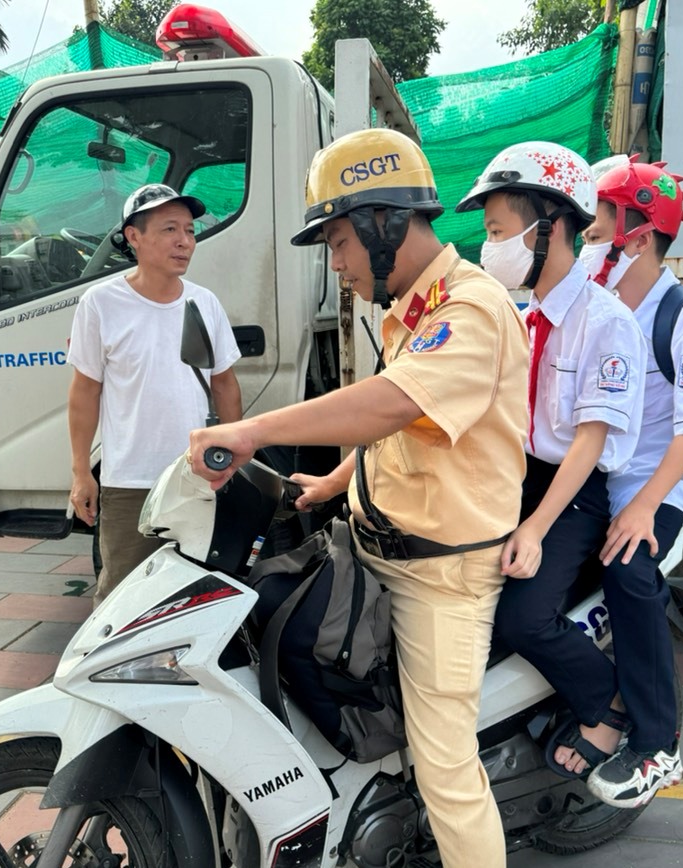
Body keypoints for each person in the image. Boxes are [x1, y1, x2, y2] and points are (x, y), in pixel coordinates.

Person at [188, 127, 527, 868]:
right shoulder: (411, 305)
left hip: (439, 578)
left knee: (446, 771)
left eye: (339, 241)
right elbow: (407, 427)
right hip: (374, 547)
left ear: (385, 224)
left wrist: (248, 429)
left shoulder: (471, 308)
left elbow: (390, 404)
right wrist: (335, 483)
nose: (336, 263)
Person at [454, 142, 647, 778]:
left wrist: (535, 527)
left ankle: (605, 703)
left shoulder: (605, 321)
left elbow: (589, 439)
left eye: (498, 230)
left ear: (552, 225)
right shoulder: (523, 312)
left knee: (525, 618)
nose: (490, 247)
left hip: (575, 489)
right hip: (520, 473)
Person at [578, 157, 683, 808]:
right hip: (608, 470)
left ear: (639, 237)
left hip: (660, 480)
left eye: (598, 229)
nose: (590, 241)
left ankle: (656, 746)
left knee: (628, 571)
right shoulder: (602, 300)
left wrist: (645, 508)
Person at [68, 183, 242, 608]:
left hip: (196, 476)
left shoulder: (205, 303)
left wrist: (236, 457)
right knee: (122, 597)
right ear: (134, 237)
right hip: (129, 483)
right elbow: (84, 393)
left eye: (189, 230)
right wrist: (80, 472)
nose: (185, 241)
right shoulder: (101, 303)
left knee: (195, 593)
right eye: (169, 229)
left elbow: (225, 384)